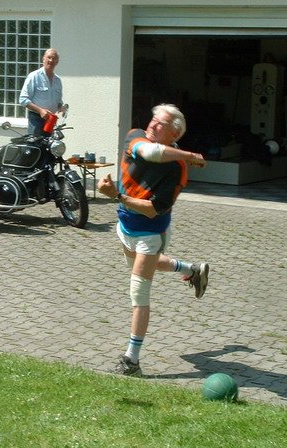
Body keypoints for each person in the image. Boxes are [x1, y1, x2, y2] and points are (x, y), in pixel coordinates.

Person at [97, 103, 210, 377]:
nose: (153, 125)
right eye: (153, 119)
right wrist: (191, 154)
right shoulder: (136, 136)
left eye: (161, 124)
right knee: (140, 265)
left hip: (150, 233)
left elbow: (152, 209)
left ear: (175, 134)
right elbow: (150, 152)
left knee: (138, 292)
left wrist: (117, 196)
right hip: (125, 226)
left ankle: (131, 361)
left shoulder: (177, 169)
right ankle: (192, 269)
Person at [19, 48, 64, 136]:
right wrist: (40, 111)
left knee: (49, 144)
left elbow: (58, 101)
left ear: (57, 62)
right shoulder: (34, 76)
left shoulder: (58, 80)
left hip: (51, 121)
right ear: (43, 59)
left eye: (54, 58)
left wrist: (61, 107)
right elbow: (23, 100)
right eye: (49, 57)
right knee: (36, 144)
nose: (51, 60)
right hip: (36, 120)